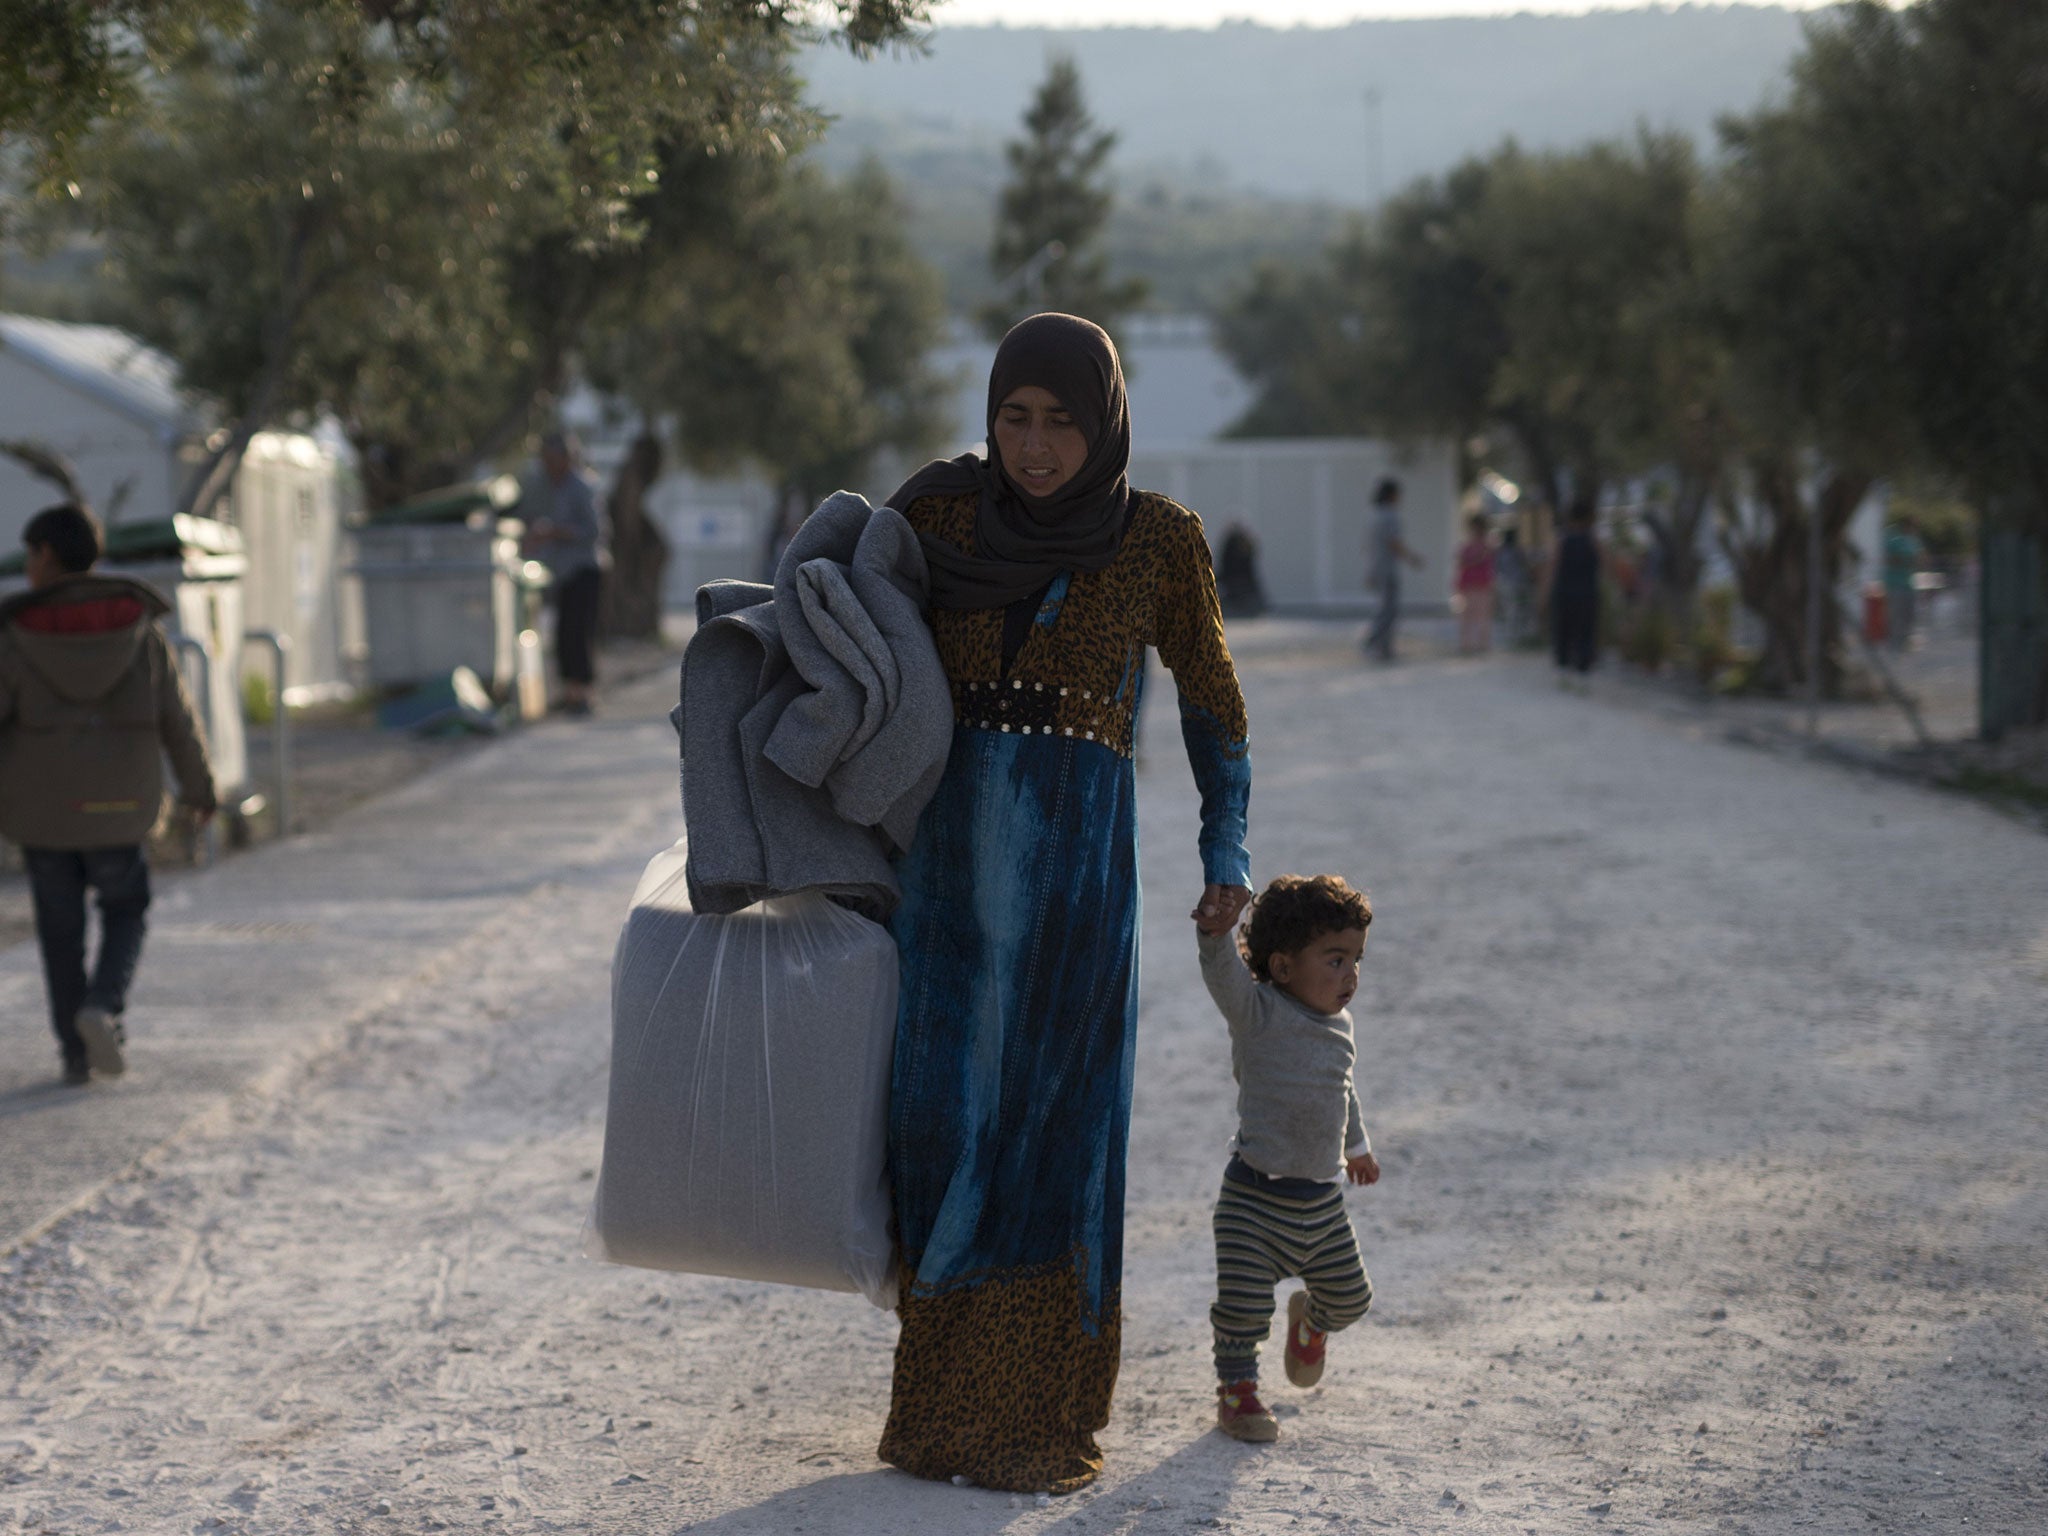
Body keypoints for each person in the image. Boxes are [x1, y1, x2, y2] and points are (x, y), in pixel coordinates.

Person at [881, 313, 1253, 1494]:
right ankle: (934, 1416)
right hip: (941, 881)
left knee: (1055, 1130)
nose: (1035, 449)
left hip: (1076, 891)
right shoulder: (936, 517)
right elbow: (840, 642)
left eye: (1061, 424)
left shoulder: (1157, 540)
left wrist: (1224, 845)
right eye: (1014, 420)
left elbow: (1213, 705)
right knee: (942, 1123)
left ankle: (1038, 1423)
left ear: (1103, 427)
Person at [0, 504, 215, 1085]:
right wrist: (200, 788)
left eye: (31, 554)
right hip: (122, 807)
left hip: (44, 811)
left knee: (59, 931)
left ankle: (74, 1053)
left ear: (46, 555)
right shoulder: (139, 627)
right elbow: (178, 718)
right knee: (125, 910)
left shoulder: (16, 633)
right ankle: (103, 1005)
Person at [1198, 873, 1379, 1443]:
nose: (1350, 975)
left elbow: (1341, 1088)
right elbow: (1223, 976)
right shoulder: (1259, 1014)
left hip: (1321, 1202)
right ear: (1281, 967)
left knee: (1352, 1298)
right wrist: (1216, 936)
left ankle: (1311, 1323)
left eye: (1355, 960)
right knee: (1243, 1312)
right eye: (1334, 960)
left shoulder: (1341, 1026)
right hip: (1254, 1202)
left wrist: (1356, 1147)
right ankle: (1238, 1394)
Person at [524, 430, 607, 715]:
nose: (547, 464)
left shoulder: (582, 486)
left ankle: (584, 693)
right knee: (562, 633)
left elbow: (593, 531)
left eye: (551, 458)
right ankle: (569, 691)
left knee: (579, 632)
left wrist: (556, 533)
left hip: (584, 569)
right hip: (561, 571)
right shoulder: (546, 486)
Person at [1361, 476, 1422, 662]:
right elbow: (1393, 542)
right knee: (1388, 610)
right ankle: (1374, 643)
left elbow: (1369, 546)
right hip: (1387, 570)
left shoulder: (1375, 515)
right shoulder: (1390, 515)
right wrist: (1412, 558)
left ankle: (1384, 646)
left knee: (1385, 608)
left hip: (1377, 568)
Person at [1547, 501, 1602, 682]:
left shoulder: (1563, 539)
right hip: (1587, 593)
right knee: (1585, 630)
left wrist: (1546, 591)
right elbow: (1607, 564)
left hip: (1565, 592)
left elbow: (1553, 566)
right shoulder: (1594, 540)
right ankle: (1583, 670)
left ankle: (1564, 669)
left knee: (1564, 630)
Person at [1453, 514, 1497, 655]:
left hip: (1482, 584)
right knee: (1467, 615)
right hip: (1469, 584)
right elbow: (1460, 562)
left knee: (1481, 615)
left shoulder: (1486, 545)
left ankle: (1481, 644)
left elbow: (1467, 561)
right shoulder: (1468, 546)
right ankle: (1467, 644)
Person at [1882, 514, 1925, 651]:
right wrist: (1905, 560)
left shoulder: (1914, 541)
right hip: (1895, 584)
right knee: (1896, 614)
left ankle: (1905, 641)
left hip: (1909, 583)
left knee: (1909, 614)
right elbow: (1890, 559)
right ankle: (1894, 643)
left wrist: (1917, 561)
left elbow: (1920, 558)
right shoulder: (1894, 540)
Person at [1494, 526, 1531, 644]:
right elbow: (1525, 564)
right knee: (1519, 608)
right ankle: (1517, 634)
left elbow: (1497, 567)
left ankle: (1512, 634)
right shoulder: (1517, 550)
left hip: (1506, 582)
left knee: (1510, 609)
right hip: (1518, 582)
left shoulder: (1501, 551)